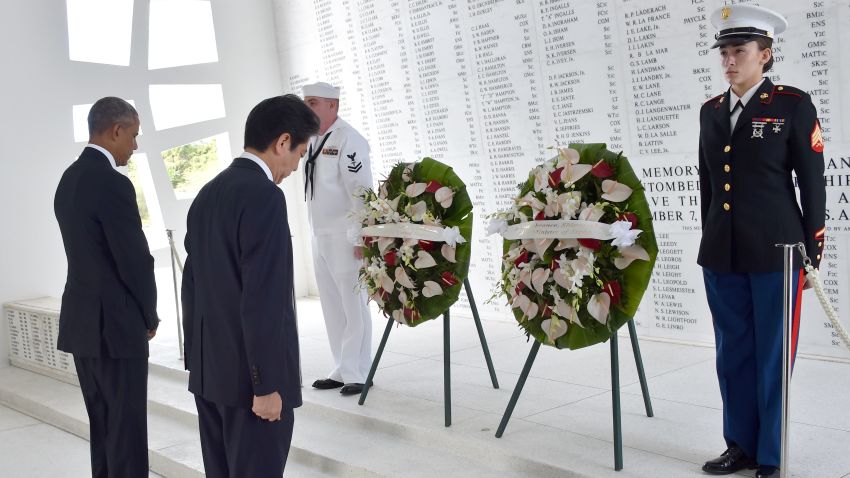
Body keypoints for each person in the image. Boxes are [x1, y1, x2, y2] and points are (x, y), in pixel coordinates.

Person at [697, 5, 826, 478]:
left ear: (765, 55)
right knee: (732, 355)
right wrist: (711, 236)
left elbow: (812, 184)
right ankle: (740, 446)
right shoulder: (711, 112)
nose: (730, 61)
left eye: (740, 51)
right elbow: (708, 186)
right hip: (722, 253)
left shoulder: (792, 104)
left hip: (778, 252)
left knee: (772, 357)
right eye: (725, 53)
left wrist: (812, 254)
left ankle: (771, 454)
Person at [181, 94, 318, 477]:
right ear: (282, 142)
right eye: (299, 153)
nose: (294, 167)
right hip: (249, 387)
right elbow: (264, 301)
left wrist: (199, 365)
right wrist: (267, 384)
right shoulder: (265, 197)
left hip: (211, 378)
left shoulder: (206, 195)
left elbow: (191, 287)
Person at [54, 96, 159, 478]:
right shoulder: (113, 183)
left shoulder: (68, 178)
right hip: (116, 327)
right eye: (133, 135)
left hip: (82, 326)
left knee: (102, 429)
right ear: (116, 130)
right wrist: (150, 314)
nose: (134, 145)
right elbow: (134, 260)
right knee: (127, 433)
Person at [302, 81, 374, 396]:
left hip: (345, 235)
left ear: (333, 105)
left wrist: (360, 235)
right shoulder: (312, 140)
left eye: (313, 102)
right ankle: (340, 366)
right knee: (331, 303)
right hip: (320, 234)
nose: (307, 108)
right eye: (305, 102)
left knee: (353, 303)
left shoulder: (349, 139)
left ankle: (359, 370)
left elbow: (361, 192)